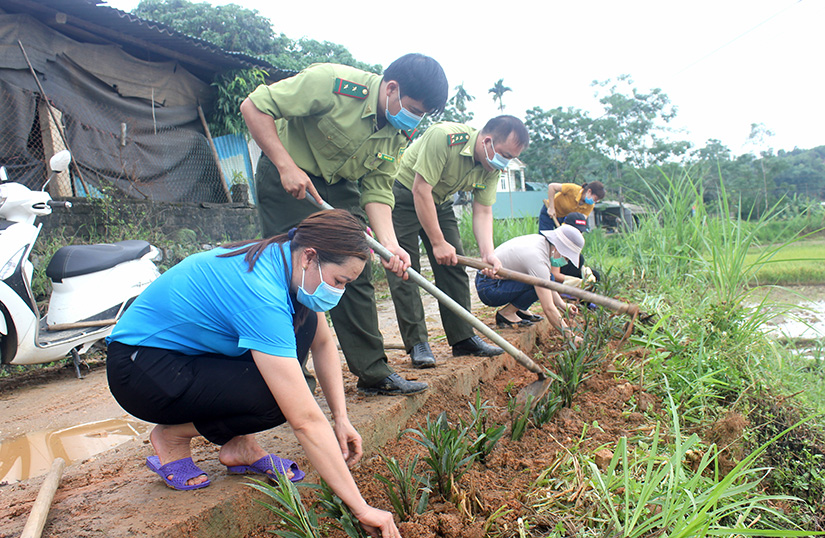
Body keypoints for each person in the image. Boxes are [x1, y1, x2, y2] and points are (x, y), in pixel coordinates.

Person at [106, 210, 402, 538]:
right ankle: (173, 436)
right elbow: (303, 419)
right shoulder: (259, 291)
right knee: (280, 398)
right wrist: (361, 508)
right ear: (310, 257)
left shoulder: (285, 262)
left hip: (189, 357)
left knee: (300, 337)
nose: (338, 292)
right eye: (339, 281)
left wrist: (341, 418)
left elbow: (321, 343)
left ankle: (239, 445)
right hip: (141, 370)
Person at [240, 53, 448, 396]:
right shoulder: (332, 83)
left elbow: (378, 189)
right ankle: (291, 376)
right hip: (289, 176)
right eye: (413, 108)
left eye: (422, 114)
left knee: (355, 271)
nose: (415, 118)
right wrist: (285, 164)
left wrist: (390, 244)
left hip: (341, 187)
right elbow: (254, 106)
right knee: (292, 272)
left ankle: (373, 371)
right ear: (392, 88)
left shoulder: (400, 131)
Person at [387, 116, 530, 368]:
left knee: (454, 269)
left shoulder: (491, 166)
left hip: (440, 202)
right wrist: (437, 241)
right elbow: (421, 190)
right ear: (487, 141)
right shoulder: (444, 138)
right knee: (406, 270)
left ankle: (463, 337)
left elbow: (483, 210)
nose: (505, 164)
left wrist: (487, 253)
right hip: (404, 195)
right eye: (505, 155)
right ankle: (417, 343)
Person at [475, 224, 584, 336]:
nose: (565, 261)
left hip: (495, 281)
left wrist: (563, 305)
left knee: (547, 278)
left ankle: (519, 309)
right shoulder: (538, 259)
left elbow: (548, 282)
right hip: (490, 287)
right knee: (538, 283)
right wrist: (570, 337)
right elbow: (549, 308)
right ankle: (507, 313)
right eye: (566, 257)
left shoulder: (541, 243)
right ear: (558, 248)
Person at [538, 181, 605, 232]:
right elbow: (551, 186)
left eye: (598, 200)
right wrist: (551, 208)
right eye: (595, 198)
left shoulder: (590, 205)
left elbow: (581, 219)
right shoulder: (573, 189)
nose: (596, 201)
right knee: (545, 238)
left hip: (564, 218)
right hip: (549, 211)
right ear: (589, 191)